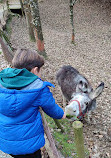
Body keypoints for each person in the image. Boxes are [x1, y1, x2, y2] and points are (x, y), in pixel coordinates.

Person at [0, 48, 66, 158]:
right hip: (29, 146)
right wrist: (62, 114)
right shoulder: (38, 88)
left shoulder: (2, 81)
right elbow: (51, 108)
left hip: (7, 142)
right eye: (41, 70)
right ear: (35, 70)